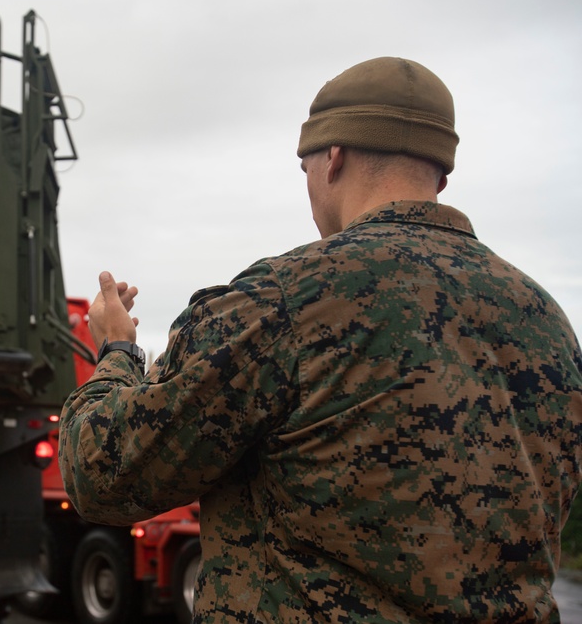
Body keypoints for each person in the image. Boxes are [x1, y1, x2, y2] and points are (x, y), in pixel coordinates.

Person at [59, 57, 582, 622]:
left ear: (333, 158)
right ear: (441, 175)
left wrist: (117, 352)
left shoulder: (282, 301)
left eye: (304, 165)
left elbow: (102, 475)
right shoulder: (547, 321)